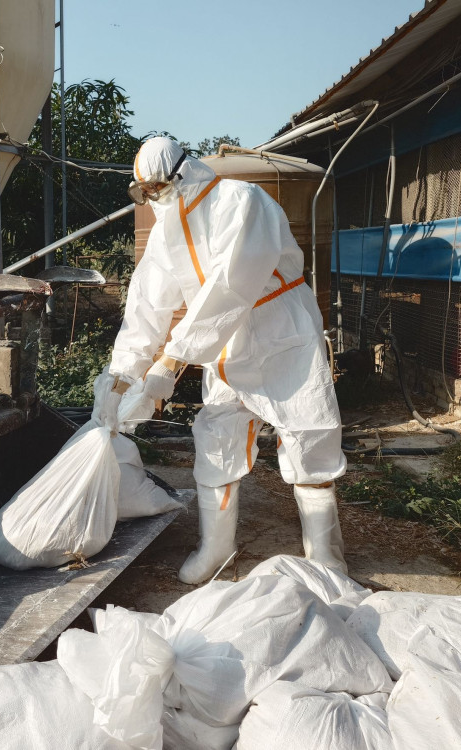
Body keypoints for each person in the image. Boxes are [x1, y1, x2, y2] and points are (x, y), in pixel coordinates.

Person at [94, 136, 347, 584]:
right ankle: (216, 549)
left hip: (279, 333)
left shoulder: (241, 201)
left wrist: (171, 363)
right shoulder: (165, 233)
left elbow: (231, 286)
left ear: (183, 173)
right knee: (217, 440)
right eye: (144, 192)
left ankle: (326, 558)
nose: (153, 198)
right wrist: (121, 375)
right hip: (224, 348)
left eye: (157, 187)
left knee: (308, 436)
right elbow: (146, 307)